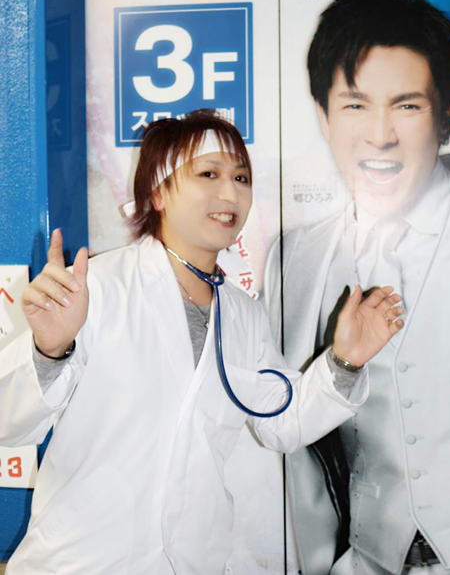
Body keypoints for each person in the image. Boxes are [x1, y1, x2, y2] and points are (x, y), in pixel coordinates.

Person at [0, 110, 404, 575]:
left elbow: (282, 420)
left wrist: (345, 361)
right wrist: (49, 351)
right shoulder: (97, 288)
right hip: (82, 561)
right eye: (208, 174)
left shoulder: (242, 314)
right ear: (158, 192)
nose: (230, 193)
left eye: (241, 177)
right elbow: (11, 424)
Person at [264, 0, 450, 575]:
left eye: (407, 106)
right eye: (356, 106)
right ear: (324, 117)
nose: (380, 135)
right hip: (364, 560)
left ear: (446, 117)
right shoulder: (295, 259)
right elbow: (287, 429)